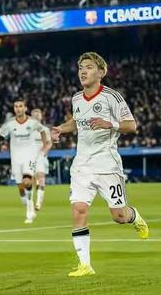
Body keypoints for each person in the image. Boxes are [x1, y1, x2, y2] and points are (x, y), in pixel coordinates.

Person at [51, 52, 149, 277]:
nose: (83, 71)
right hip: (82, 165)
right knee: (79, 210)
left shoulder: (111, 97)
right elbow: (77, 122)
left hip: (107, 166)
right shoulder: (77, 98)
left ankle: (135, 216)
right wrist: (60, 129)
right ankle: (85, 265)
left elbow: (131, 125)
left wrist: (110, 123)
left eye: (88, 67)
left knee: (119, 216)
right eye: (80, 68)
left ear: (101, 72)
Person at [0, 99, 50, 224]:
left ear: (25, 108)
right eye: (16, 106)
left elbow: (42, 131)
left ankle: (30, 210)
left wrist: (45, 144)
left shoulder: (32, 122)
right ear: (14, 109)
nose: (18, 109)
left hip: (30, 157)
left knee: (27, 181)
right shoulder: (10, 124)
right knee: (20, 186)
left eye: (20, 106)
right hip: (16, 158)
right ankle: (27, 203)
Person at [30, 108, 51, 211]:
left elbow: (49, 143)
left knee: (41, 177)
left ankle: (38, 203)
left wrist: (44, 152)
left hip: (41, 158)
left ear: (41, 117)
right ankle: (32, 200)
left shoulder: (45, 130)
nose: (37, 117)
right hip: (30, 158)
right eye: (35, 115)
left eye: (38, 115)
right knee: (33, 180)